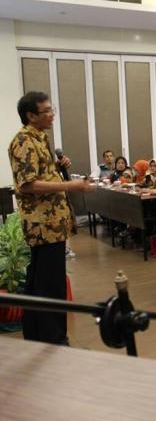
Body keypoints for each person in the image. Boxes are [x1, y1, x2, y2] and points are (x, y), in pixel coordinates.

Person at [9, 91, 94, 344]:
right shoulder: (24, 141)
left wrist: (56, 168)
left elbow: (39, 174)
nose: (51, 115)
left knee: (40, 283)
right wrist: (71, 186)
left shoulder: (39, 138)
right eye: (46, 111)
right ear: (31, 115)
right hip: (43, 225)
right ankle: (54, 339)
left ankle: (38, 336)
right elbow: (28, 185)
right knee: (50, 285)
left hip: (52, 223)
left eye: (51, 109)